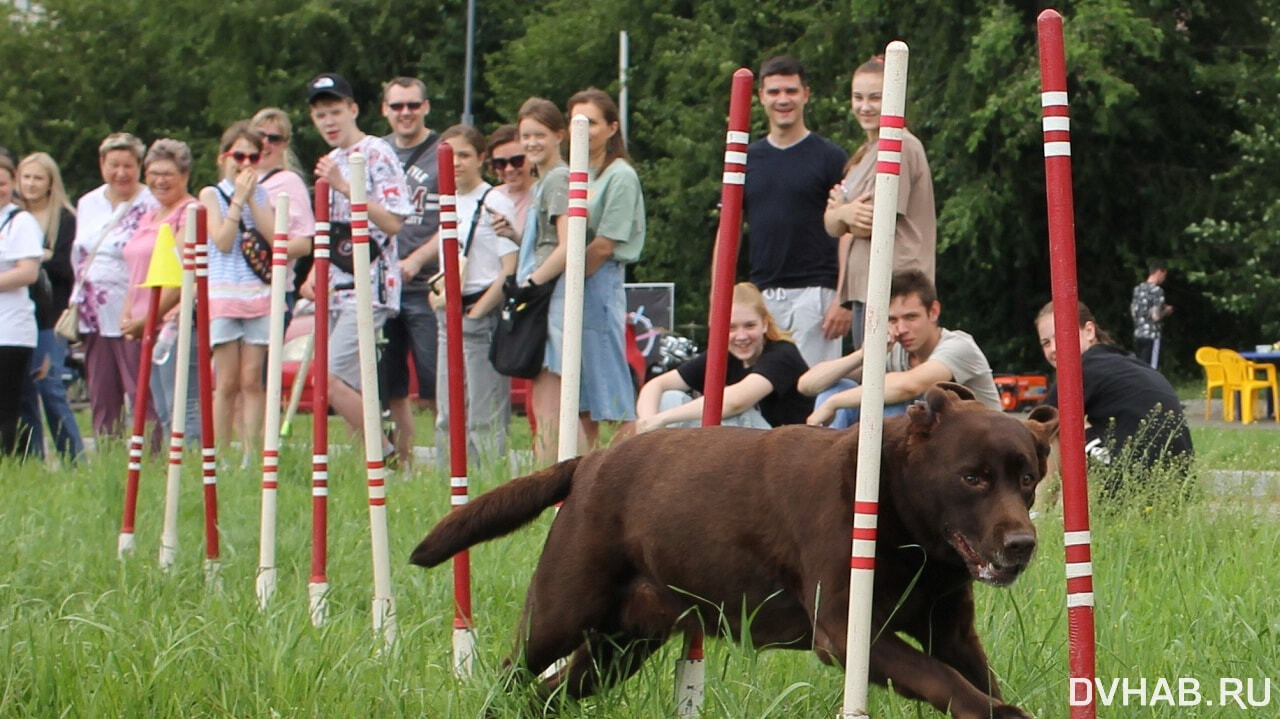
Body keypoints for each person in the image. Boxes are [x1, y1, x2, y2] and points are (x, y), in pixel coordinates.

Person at [299, 72, 412, 462]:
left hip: (371, 282)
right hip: (335, 283)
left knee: (327, 378)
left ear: (353, 110)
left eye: (335, 112)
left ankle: (385, 453)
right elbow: (331, 230)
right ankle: (371, 457)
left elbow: (394, 221)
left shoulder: (376, 152)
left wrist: (347, 185)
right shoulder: (329, 161)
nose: (329, 122)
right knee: (347, 379)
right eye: (320, 115)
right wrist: (317, 268)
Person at [823, 56, 937, 350]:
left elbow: (870, 223)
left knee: (887, 385)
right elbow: (831, 224)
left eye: (876, 97)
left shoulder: (900, 145)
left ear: (895, 98)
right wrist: (844, 213)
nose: (865, 106)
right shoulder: (864, 153)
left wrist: (841, 212)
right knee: (868, 386)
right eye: (858, 97)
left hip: (896, 289)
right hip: (865, 286)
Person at [742, 55, 849, 367]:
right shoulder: (746, 160)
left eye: (791, 91)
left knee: (811, 394)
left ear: (806, 94)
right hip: (761, 296)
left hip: (817, 296)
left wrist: (843, 298)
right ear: (761, 97)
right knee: (760, 392)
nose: (783, 100)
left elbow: (848, 231)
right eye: (774, 92)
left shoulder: (830, 157)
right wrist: (719, 301)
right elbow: (728, 229)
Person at [802, 269, 1001, 427]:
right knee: (837, 387)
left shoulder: (958, 346)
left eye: (911, 317)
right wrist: (863, 355)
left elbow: (909, 386)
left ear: (933, 312)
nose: (902, 329)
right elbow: (807, 385)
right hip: (942, 450)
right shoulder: (893, 350)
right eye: (893, 319)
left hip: (984, 447)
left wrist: (834, 403)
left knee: (900, 404)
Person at [561, 87, 645, 448]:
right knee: (580, 390)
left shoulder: (620, 176)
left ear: (611, 128)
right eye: (576, 121)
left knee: (609, 381)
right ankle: (588, 465)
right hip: (574, 280)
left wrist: (567, 277)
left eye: (591, 122)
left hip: (598, 278)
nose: (583, 130)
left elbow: (605, 244)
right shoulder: (576, 173)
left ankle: (629, 460)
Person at [431, 124, 518, 463]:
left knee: (485, 414)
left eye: (464, 155)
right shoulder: (448, 199)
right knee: (447, 411)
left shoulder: (494, 200)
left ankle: (487, 482)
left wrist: (480, 310)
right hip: (447, 310)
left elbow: (509, 266)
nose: (456, 163)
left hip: (480, 311)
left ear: (481, 157)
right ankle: (447, 480)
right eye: (449, 155)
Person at [71, 132, 158, 438]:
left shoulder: (151, 203)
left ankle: (149, 455)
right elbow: (80, 253)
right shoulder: (88, 203)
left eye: (128, 165)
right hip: (94, 311)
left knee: (140, 388)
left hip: (133, 308)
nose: (120, 173)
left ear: (139, 167)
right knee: (101, 390)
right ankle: (107, 455)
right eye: (113, 165)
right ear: (102, 165)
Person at [1036, 300, 1192, 468]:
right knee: (1064, 418)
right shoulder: (1124, 362)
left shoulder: (1082, 368)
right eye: (1046, 343)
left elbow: (1036, 427)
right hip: (1176, 481)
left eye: (1061, 335)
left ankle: (1040, 495)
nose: (1053, 348)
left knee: (1056, 425)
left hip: (1129, 480)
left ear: (1089, 331)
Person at [198, 123, 277, 453]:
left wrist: (253, 200)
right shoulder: (210, 194)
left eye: (253, 157)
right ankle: (218, 450)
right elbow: (223, 240)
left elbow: (276, 239)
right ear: (223, 158)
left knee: (251, 378)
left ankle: (251, 450)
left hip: (257, 293)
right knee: (227, 380)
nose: (245, 163)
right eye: (238, 155)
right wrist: (237, 201)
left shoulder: (262, 194)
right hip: (224, 293)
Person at [636, 282, 809, 431]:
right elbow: (656, 385)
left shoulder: (783, 353)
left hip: (787, 452)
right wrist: (647, 422)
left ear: (765, 324)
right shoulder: (722, 355)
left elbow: (736, 402)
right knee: (670, 398)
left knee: (736, 415)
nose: (741, 337)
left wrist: (663, 419)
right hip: (750, 448)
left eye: (749, 326)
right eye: (731, 327)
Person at [377, 76, 441, 465]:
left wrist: (417, 259)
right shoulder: (377, 153)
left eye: (412, 105)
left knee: (436, 380)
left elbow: (457, 220)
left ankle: (449, 459)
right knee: (391, 383)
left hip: (427, 282)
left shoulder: (442, 152)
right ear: (385, 109)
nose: (405, 113)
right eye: (397, 106)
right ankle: (404, 462)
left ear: (426, 107)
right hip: (384, 284)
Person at [15, 152, 84, 462]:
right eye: (26, 177)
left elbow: (64, 269)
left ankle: (74, 457)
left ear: (50, 183)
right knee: (23, 391)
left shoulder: (65, 219)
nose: (31, 184)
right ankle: (31, 459)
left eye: (38, 178)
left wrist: (34, 258)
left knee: (50, 387)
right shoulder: (12, 217)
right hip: (17, 316)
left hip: (51, 318)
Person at [514, 97, 570, 464]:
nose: (532, 143)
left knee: (552, 400)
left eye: (539, 135)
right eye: (525, 136)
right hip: (543, 291)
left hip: (551, 295)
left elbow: (568, 245)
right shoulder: (543, 181)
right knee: (542, 396)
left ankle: (552, 477)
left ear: (559, 135)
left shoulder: (558, 179)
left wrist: (529, 285)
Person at [0, 154, 45, 457]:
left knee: (6, 408)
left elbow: (27, 272)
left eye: (2, 183)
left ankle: (12, 466)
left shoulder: (21, 221)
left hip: (10, 329)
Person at [249, 107, 316, 310]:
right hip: (230, 291)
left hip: (270, 290)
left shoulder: (289, 182)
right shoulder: (235, 179)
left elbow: (303, 244)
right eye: (260, 135)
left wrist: (263, 252)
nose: (265, 143)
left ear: (285, 144)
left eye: (274, 138)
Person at [487, 123, 533, 234]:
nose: (509, 169)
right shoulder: (489, 198)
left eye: (517, 161)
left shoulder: (545, 193)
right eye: (500, 163)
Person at [1130, 259, 1173, 369]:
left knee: (1140, 368)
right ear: (1159, 272)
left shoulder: (1138, 289)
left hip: (1138, 334)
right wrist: (1166, 311)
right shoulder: (1157, 291)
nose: (1164, 279)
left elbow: (1133, 312)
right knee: (1152, 370)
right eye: (1164, 275)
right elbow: (1156, 316)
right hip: (1152, 335)